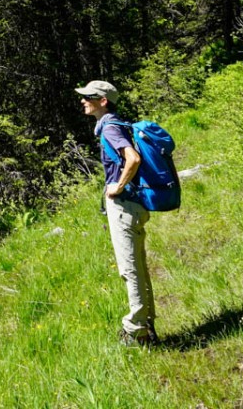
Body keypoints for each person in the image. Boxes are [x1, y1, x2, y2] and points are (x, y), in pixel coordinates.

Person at [76, 79, 159, 346]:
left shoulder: (110, 127)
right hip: (134, 206)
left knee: (130, 270)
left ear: (103, 101)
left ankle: (136, 330)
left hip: (124, 206)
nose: (83, 100)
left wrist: (117, 187)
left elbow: (132, 158)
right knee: (139, 269)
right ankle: (146, 327)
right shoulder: (115, 124)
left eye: (89, 96)